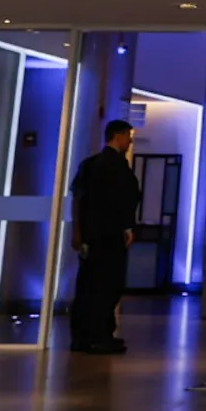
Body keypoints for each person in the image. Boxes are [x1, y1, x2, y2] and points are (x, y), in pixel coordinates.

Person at [68, 119, 139, 355]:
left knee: (89, 283)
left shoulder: (90, 165)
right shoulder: (118, 168)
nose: (129, 141)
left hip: (93, 234)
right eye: (128, 136)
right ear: (118, 137)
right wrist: (128, 227)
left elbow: (78, 198)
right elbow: (126, 201)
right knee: (107, 285)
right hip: (110, 235)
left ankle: (84, 335)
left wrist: (78, 230)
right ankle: (100, 334)